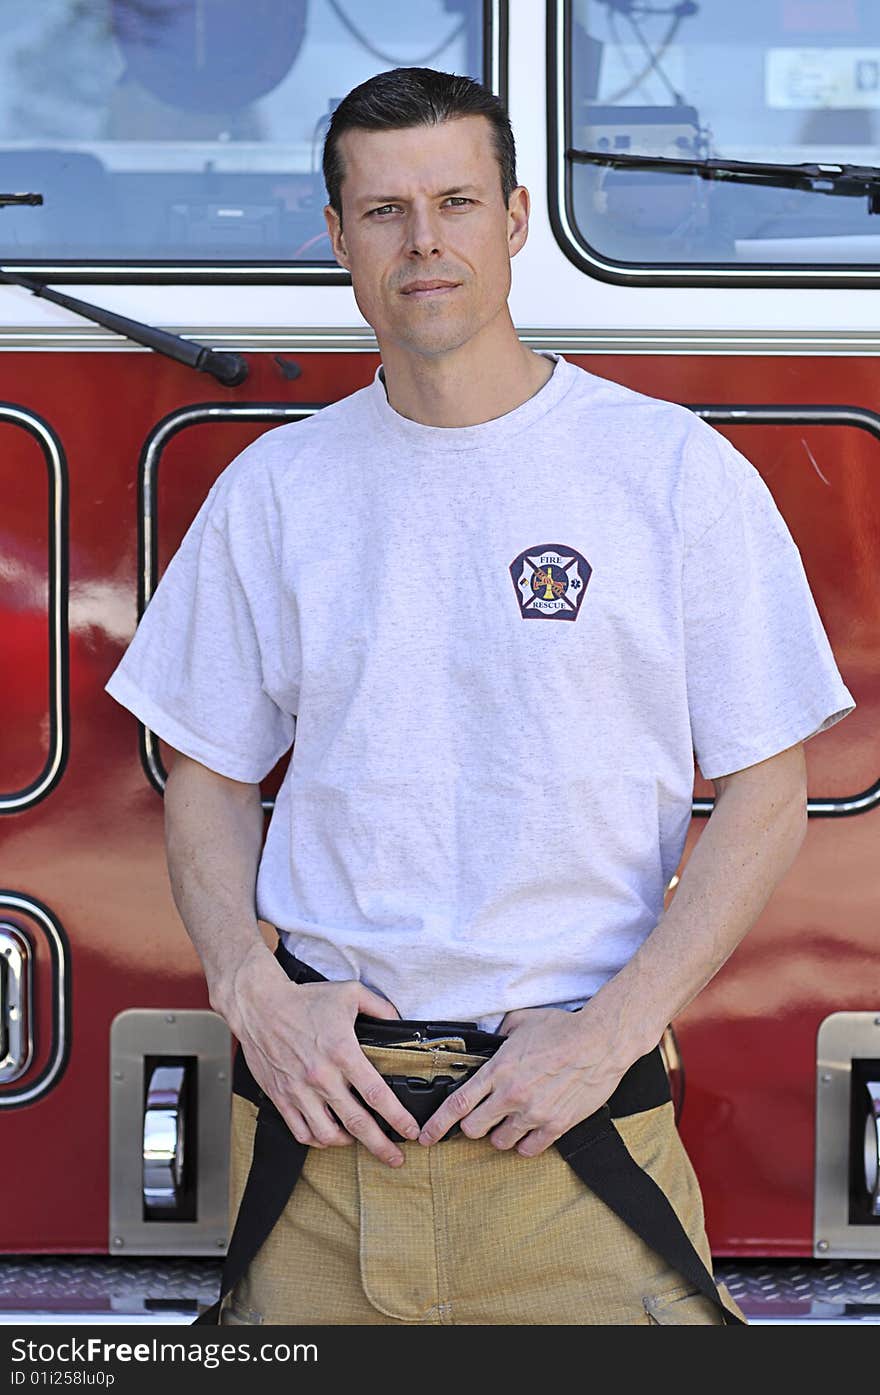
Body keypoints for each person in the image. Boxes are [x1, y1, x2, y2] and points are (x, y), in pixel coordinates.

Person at [104, 66, 855, 1326]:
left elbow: (769, 791)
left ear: (514, 220)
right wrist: (249, 990)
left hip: (574, 1140)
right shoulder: (276, 490)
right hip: (319, 1148)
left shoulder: (671, 474)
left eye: (455, 201)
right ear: (337, 237)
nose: (424, 241)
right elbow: (208, 776)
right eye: (385, 211)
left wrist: (616, 1028)